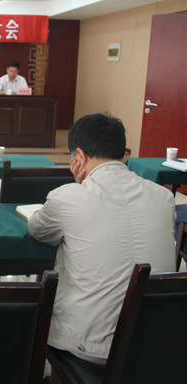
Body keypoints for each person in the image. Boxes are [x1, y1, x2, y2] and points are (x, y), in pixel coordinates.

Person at [28, 113, 176, 365]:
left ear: (79, 156)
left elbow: (37, 229)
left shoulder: (67, 197)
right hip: (157, 344)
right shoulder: (163, 197)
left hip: (90, 347)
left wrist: (78, 186)